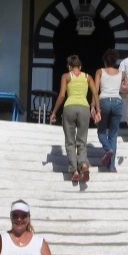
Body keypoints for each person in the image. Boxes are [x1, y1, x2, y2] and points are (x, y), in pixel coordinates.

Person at [49, 55, 100, 183]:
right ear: (80, 67)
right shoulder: (88, 77)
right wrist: (97, 109)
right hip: (84, 108)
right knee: (82, 141)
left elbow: (61, 95)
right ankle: (83, 163)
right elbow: (95, 93)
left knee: (70, 142)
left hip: (69, 108)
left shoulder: (66, 76)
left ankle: (74, 170)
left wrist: (54, 112)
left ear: (69, 67)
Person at [94, 49, 128, 172]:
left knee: (101, 132)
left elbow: (95, 92)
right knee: (113, 134)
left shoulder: (100, 72)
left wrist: (93, 106)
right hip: (117, 103)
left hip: (104, 102)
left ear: (105, 61)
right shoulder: (122, 74)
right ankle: (111, 167)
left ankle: (108, 150)